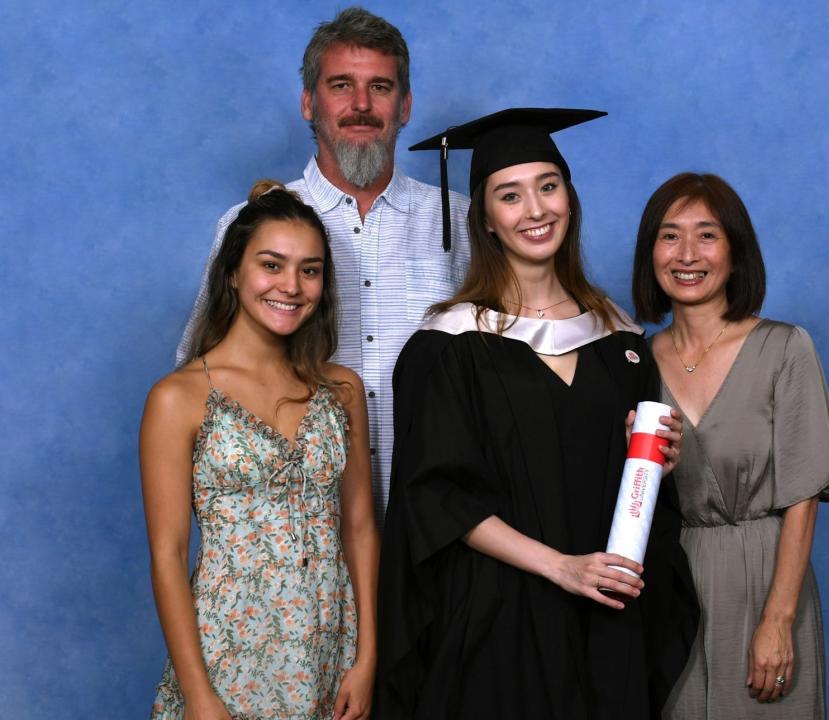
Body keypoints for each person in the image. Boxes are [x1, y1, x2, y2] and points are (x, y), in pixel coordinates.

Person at [375, 109, 699, 719]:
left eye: (548, 187)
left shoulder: (618, 340)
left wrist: (659, 463)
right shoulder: (448, 347)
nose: (535, 210)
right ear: (488, 221)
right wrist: (561, 568)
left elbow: (631, 491)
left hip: (605, 610)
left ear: (570, 200)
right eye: (510, 195)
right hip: (497, 617)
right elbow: (435, 501)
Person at [176, 7, 471, 525]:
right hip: (300, 536)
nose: (361, 105)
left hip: (438, 530)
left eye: (380, 87)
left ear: (405, 105)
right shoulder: (249, 227)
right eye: (341, 86)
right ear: (309, 103)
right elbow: (197, 378)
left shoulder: (463, 222)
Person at [143, 182, 379, 719]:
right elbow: (168, 555)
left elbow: (361, 528)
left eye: (310, 270)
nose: (291, 286)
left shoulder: (341, 389)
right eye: (271, 265)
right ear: (233, 272)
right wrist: (200, 698)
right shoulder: (178, 397)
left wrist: (366, 658)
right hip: (225, 657)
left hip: (329, 650)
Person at [631, 172, 829, 718]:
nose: (686, 253)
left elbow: (804, 497)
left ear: (735, 251)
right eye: (669, 234)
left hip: (765, 580)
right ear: (650, 252)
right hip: (670, 587)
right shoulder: (630, 362)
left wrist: (777, 619)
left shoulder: (783, 348)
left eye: (707, 234)